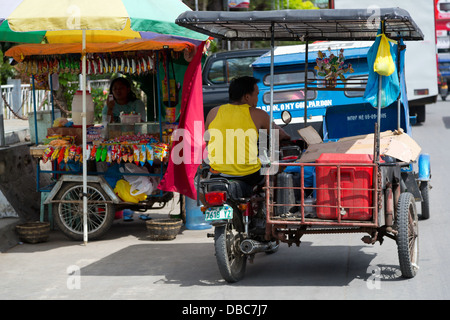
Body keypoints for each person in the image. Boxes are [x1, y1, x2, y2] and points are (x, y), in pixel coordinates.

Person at [204, 76, 290, 191]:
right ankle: (266, 206)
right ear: (247, 97)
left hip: (217, 173)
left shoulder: (213, 112)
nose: (257, 100)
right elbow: (280, 134)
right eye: (257, 95)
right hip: (248, 174)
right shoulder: (259, 114)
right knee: (271, 175)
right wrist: (286, 137)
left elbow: (208, 142)